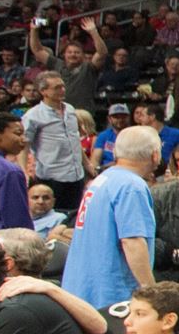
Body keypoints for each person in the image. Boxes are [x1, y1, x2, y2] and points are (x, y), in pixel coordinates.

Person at [61, 126, 160, 314]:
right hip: (111, 298)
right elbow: (132, 241)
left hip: (80, 289)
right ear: (155, 155)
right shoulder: (132, 186)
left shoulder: (101, 180)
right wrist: (151, 291)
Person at [22, 72, 90, 216]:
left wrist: (87, 163)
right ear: (43, 91)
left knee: (74, 215)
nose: (62, 90)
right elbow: (24, 146)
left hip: (76, 174)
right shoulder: (33, 116)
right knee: (52, 215)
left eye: (63, 86)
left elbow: (75, 139)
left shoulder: (70, 110)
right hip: (52, 176)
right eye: (57, 87)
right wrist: (23, 171)